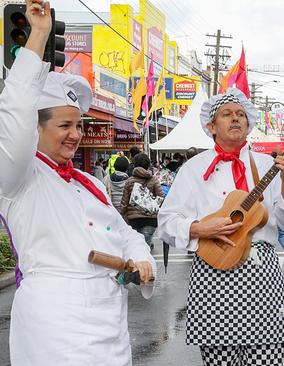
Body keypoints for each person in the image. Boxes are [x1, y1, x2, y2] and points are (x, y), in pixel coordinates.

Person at [0, 4, 154, 364]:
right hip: (54, 327)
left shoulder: (91, 183)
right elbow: (16, 109)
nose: (76, 135)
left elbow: (125, 232)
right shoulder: (17, 176)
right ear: (35, 129)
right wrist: (38, 36)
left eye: (79, 125)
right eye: (64, 126)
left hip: (111, 328)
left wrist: (142, 257)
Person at [157, 87, 284, 365]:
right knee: (219, 360)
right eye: (227, 114)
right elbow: (166, 221)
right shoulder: (193, 168)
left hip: (261, 275)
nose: (235, 119)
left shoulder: (267, 164)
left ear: (248, 124)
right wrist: (200, 229)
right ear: (211, 126)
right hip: (213, 272)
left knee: (267, 358)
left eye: (240, 114)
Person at [120, 153, 164, 249]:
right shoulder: (154, 180)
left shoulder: (129, 181)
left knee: (135, 248)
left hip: (133, 220)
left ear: (134, 165)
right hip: (150, 220)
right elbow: (160, 198)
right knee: (145, 248)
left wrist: (120, 215)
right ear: (148, 165)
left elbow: (124, 202)